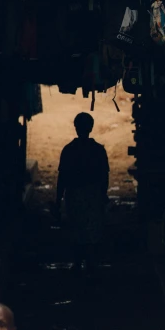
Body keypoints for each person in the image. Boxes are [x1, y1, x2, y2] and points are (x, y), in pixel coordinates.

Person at [55, 112, 109, 274]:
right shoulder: (98, 150)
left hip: (74, 195)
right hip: (93, 195)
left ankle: (78, 263)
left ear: (75, 127)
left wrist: (58, 199)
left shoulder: (69, 150)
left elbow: (62, 176)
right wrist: (102, 196)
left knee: (76, 230)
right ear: (91, 128)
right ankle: (91, 264)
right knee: (92, 232)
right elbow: (104, 176)